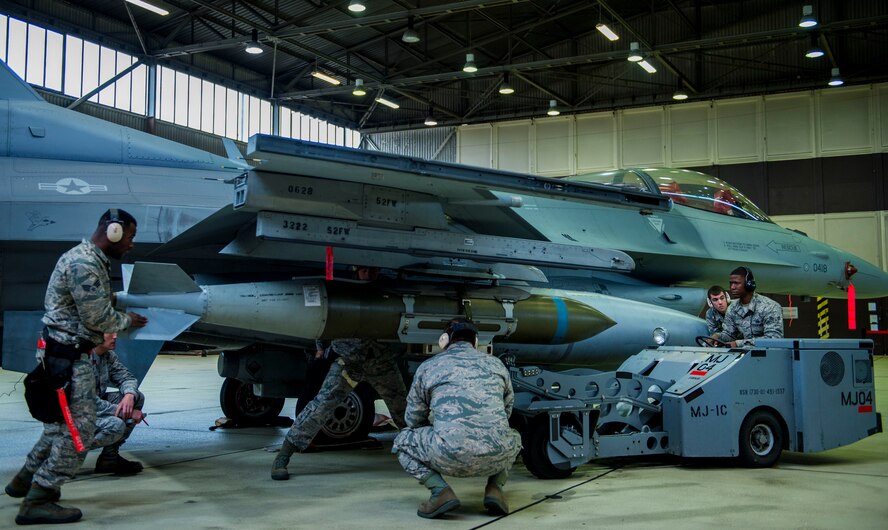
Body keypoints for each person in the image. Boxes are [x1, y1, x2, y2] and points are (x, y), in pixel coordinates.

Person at [6, 209, 147, 525]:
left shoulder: (88, 259)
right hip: (71, 359)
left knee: (59, 425)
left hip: (61, 355)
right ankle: (38, 498)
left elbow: (94, 304)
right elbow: (98, 318)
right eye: (130, 236)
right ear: (113, 231)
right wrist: (129, 320)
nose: (131, 244)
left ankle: (24, 479)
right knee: (79, 431)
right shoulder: (84, 264)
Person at [271, 265, 406, 480]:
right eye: (364, 271)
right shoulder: (344, 289)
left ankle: (426, 457)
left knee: (403, 410)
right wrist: (320, 347)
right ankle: (283, 456)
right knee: (321, 407)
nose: (369, 275)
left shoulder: (387, 290)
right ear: (356, 271)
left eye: (372, 271)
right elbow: (326, 319)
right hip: (349, 361)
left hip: (381, 361)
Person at [391, 319, 522, 519]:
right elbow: (507, 412)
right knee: (514, 437)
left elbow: (413, 419)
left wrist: (441, 429)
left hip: (448, 457)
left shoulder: (429, 367)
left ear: (444, 340)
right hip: (497, 456)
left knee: (401, 442)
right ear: (476, 341)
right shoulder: (497, 365)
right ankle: (495, 489)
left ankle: (439, 491)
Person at [90, 332, 147, 474]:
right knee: (116, 425)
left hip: (93, 409)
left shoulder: (107, 355)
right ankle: (65, 452)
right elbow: (86, 402)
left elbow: (127, 377)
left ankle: (109, 459)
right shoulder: (81, 359)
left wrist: (129, 394)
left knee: (137, 397)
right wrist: (125, 412)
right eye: (109, 332)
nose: (115, 336)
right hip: (71, 416)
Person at [712, 266, 783, 347]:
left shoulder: (770, 307)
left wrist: (738, 344)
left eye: (736, 283)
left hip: (768, 356)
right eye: (731, 283)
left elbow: (773, 339)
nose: (732, 287)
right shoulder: (732, 308)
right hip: (744, 356)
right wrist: (717, 337)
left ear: (749, 284)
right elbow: (729, 334)